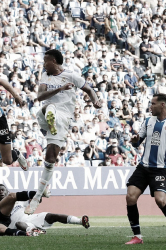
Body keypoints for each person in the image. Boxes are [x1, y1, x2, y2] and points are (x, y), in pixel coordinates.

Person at [25, 49, 102, 214]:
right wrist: (60, 89)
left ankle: (40, 193)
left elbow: (88, 89)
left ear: (53, 61)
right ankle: (50, 121)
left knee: (50, 157)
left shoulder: (72, 75)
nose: (43, 64)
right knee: (48, 108)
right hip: (46, 114)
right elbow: (39, 97)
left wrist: (95, 101)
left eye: (46, 61)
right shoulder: (46, 76)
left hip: (64, 118)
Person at [125, 94, 166, 245]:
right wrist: (135, 141)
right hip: (143, 167)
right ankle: (137, 236)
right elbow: (137, 142)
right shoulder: (148, 121)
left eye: (153, 104)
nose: (150, 106)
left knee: (160, 201)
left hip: (160, 169)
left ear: (162, 105)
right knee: (130, 197)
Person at [0, 184, 89, 233]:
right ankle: (36, 232)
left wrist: (38, 197)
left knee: (52, 216)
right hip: (20, 225)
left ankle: (81, 221)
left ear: (8, 192)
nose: (1, 192)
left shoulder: (18, 201)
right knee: (19, 223)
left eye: (3, 190)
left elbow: (34, 200)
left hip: (31, 218)